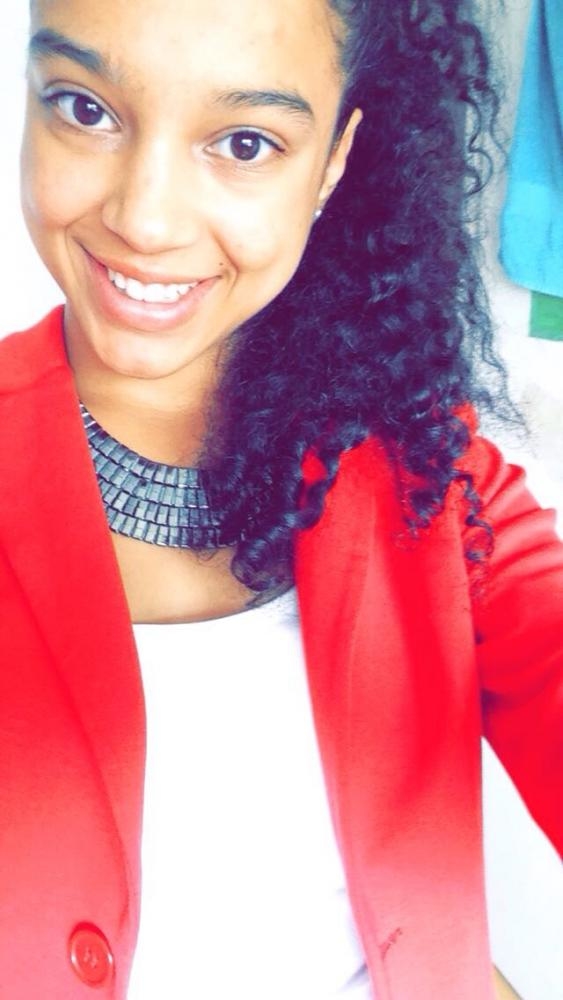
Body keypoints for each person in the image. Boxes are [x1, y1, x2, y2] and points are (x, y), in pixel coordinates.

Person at [0, 0, 560, 997]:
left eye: (245, 142)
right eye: (84, 108)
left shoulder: (431, 470)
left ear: (332, 161)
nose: (145, 218)